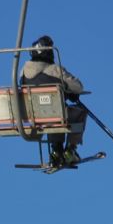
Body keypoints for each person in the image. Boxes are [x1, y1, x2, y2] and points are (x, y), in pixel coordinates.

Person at [19, 35, 87, 169]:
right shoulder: (54, 70)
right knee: (74, 113)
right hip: (55, 115)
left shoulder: (23, 72)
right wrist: (67, 88)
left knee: (50, 113)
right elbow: (78, 86)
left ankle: (56, 151)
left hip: (32, 116)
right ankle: (70, 150)